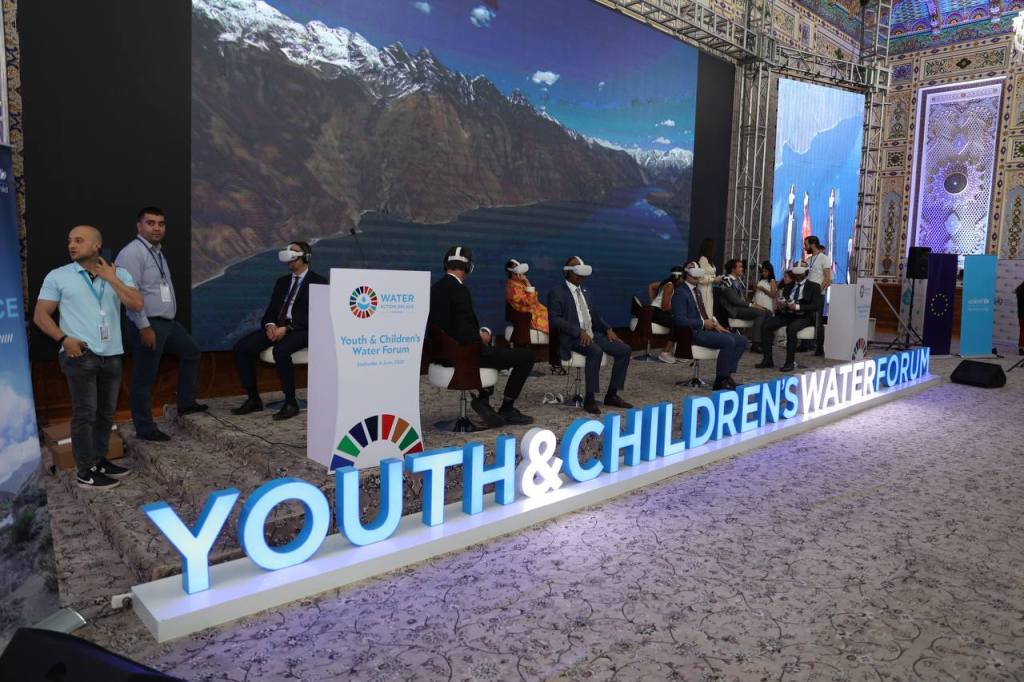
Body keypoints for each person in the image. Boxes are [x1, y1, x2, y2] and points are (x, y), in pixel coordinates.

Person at [33, 226, 144, 489]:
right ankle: (85, 470)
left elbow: (137, 304)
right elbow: (40, 315)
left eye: (79, 240)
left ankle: (99, 460)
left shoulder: (119, 273)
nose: (71, 245)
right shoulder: (58, 276)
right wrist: (64, 339)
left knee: (106, 413)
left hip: (112, 353)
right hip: (79, 354)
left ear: (97, 245)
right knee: (85, 414)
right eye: (69, 241)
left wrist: (112, 278)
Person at [116, 207, 206, 442]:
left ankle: (186, 402)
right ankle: (145, 428)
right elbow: (128, 295)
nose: (157, 228)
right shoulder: (132, 253)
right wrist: (144, 327)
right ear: (139, 226)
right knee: (144, 377)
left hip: (167, 323)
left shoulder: (156, 252)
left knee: (191, 352)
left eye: (161, 223)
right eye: (151, 223)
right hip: (147, 324)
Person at [429, 246, 534, 427]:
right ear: (468, 267)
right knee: (526, 356)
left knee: (493, 352)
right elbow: (466, 334)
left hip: (443, 354)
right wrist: (482, 337)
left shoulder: (435, 288)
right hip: (463, 355)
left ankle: (484, 397)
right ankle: (507, 408)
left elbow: (449, 327)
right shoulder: (460, 290)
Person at [231, 242, 327, 420]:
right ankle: (253, 399)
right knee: (241, 348)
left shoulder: (319, 282)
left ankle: (290, 402)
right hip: (278, 327)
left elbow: (317, 315)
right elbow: (271, 310)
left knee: (281, 351)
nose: (289, 256)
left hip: (302, 329)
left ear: (306, 257)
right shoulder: (282, 282)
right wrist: (270, 325)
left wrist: (288, 328)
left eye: (294, 253)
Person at [548, 256, 634, 415]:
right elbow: (555, 319)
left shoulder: (585, 291)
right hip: (572, 337)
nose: (581, 276)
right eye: (577, 271)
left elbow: (594, 316)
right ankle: (589, 398)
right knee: (595, 351)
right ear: (568, 272)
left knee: (624, 350)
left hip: (592, 333)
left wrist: (608, 329)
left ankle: (612, 395)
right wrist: (578, 331)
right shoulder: (557, 292)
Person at [672, 261, 747, 390]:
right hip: (692, 332)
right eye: (692, 269)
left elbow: (703, 314)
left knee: (741, 340)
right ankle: (720, 380)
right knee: (728, 341)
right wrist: (703, 323)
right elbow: (679, 320)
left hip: (704, 329)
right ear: (686, 273)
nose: (696, 273)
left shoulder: (697, 291)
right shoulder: (681, 292)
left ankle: (727, 376)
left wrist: (715, 324)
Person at [756, 260, 823, 372]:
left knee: (791, 328)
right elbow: (784, 298)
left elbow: (817, 305)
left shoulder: (814, 286)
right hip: (787, 314)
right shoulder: (789, 285)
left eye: (800, 273)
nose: (798, 275)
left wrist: (797, 307)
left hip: (803, 316)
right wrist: (782, 304)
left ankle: (789, 362)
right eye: (796, 273)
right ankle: (767, 359)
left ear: (806, 273)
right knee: (766, 325)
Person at [504, 258, 561, 374]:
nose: (523, 275)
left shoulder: (520, 283)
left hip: (537, 311)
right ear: (513, 273)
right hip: (529, 315)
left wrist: (526, 283)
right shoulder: (512, 287)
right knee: (553, 325)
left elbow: (534, 300)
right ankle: (555, 363)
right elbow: (529, 301)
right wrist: (528, 283)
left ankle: (556, 362)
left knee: (557, 322)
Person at [718, 259, 771, 354]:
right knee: (761, 312)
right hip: (734, 309)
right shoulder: (726, 280)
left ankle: (763, 340)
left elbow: (742, 299)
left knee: (768, 312)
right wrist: (752, 305)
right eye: (740, 267)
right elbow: (734, 301)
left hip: (741, 307)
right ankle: (756, 344)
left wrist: (754, 303)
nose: (742, 269)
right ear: (733, 269)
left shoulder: (736, 280)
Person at [646, 265, 684, 364]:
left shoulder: (667, 283)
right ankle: (665, 353)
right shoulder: (670, 286)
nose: (684, 280)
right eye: (683, 277)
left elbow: (651, 286)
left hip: (656, 311)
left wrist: (652, 302)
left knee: (681, 322)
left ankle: (678, 353)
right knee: (677, 324)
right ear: (679, 277)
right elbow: (665, 307)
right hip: (657, 312)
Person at [804, 235, 832, 356]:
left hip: (818, 295)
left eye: (806, 244)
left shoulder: (824, 258)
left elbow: (828, 278)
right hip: (807, 294)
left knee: (817, 320)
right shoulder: (808, 260)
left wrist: (817, 291)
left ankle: (819, 348)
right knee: (806, 318)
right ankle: (805, 344)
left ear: (813, 244)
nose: (805, 247)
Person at [696, 238, 722, 317]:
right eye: (713, 247)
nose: (715, 249)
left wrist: (718, 279)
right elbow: (700, 279)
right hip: (703, 289)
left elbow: (710, 275)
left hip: (709, 289)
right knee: (705, 311)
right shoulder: (703, 259)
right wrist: (714, 279)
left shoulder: (709, 260)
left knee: (709, 310)